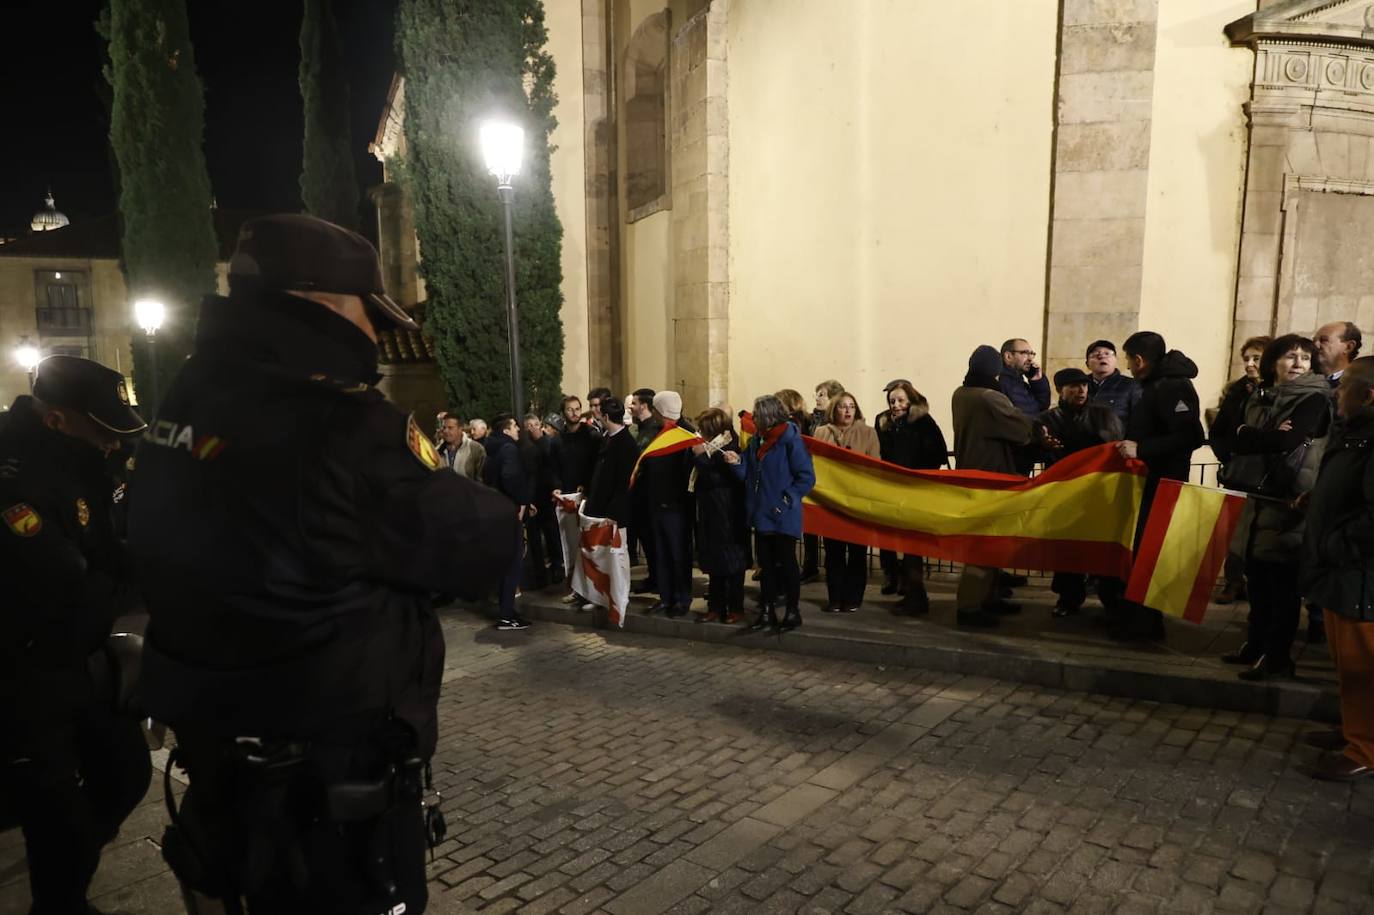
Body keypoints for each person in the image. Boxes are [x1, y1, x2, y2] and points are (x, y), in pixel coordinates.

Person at [126, 213, 519, 914]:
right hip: (325, 773)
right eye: (368, 315)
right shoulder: (340, 420)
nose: (374, 334)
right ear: (322, 303)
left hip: (222, 749)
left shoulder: (189, 393)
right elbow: (479, 542)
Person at [0, 355, 152, 915]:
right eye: (104, 430)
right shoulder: (13, 476)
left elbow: (108, 551)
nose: (114, 443)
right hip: (24, 673)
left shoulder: (80, 462)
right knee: (52, 811)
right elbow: (64, 581)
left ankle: (71, 868)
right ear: (58, 419)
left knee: (128, 771)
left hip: (78, 659)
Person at [1219, 334, 1332, 680]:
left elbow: (1288, 440)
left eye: (1305, 358)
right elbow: (1222, 433)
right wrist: (1249, 433)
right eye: (1290, 357)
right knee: (1257, 579)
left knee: (1281, 584)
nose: (1298, 363)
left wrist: (1247, 434)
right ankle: (1255, 645)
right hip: (1257, 496)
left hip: (1289, 500)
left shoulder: (1316, 397)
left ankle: (1278, 657)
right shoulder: (1261, 395)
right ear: (1273, 363)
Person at [1299, 356, 1374, 781]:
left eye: (1344, 389)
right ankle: (1353, 729)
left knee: (1364, 664)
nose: (1335, 394)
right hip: (1339, 569)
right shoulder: (1355, 433)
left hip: (1359, 572)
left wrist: (1334, 542)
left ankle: (1366, 748)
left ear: (1368, 396)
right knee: (1346, 660)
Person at [1113, 331, 1207, 641]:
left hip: (1163, 482)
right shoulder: (1159, 384)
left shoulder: (1171, 386)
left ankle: (1146, 626)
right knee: (1143, 550)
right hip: (1153, 481)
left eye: (1128, 360)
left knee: (1151, 552)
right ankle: (1138, 619)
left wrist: (1141, 449)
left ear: (1139, 360)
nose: (1128, 367)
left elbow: (1190, 435)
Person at [952, 345, 1034, 627]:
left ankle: (988, 597)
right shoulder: (989, 397)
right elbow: (1022, 429)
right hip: (992, 478)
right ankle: (970, 607)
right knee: (984, 547)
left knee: (987, 544)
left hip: (970, 475)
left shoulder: (960, 394)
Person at [724, 395, 815, 632]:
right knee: (765, 565)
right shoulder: (757, 440)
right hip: (762, 513)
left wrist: (785, 501)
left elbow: (806, 477)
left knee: (787, 564)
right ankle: (767, 611)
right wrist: (736, 462)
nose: (754, 418)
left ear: (769, 416)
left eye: (757, 414)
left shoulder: (790, 440)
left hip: (782, 514)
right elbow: (747, 472)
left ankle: (792, 612)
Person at [1038, 367, 1124, 617]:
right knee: (1067, 548)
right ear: (1060, 390)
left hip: (1100, 491)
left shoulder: (1103, 415)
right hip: (1064, 492)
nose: (1081, 390)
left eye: (1084, 385)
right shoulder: (1047, 419)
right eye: (1074, 386)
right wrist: (1043, 445)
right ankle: (1068, 598)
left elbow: (1115, 446)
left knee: (1104, 547)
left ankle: (1112, 599)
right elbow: (1039, 452)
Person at [876, 380, 948, 615]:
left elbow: (936, 452)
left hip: (915, 490)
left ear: (911, 400)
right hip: (892, 489)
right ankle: (907, 589)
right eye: (892, 401)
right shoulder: (884, 422)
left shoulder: (922, 422)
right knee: (899, 544)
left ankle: (917, 596)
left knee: (912, 545)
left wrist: (914, 475)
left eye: (900, 401)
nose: (895, 405)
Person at [1209, 335, 1271, 605]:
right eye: (1246, 359)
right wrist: (1226, 454)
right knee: (1234, 528)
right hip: (1237, 468)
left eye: (1256, 358)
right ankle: (1233, 581)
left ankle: (1258, 586)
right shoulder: (1236, 390)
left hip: (1267, 471)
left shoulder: (1279, 390)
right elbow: (1218, 426)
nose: (1249, 364)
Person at [812, 392, 881, 613]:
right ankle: (835, 597)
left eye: (852, 406)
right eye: (843, 406)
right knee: (834, 552)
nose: (848, 410)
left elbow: (875, 466)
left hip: (857, 501)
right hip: (831, 501)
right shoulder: (821, 432)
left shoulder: (868, 433)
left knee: (858, 552)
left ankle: (853, 598)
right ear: (834, 410)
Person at [637, 391, 695, 616]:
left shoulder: (685, 433)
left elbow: (686, 473)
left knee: (678, 553)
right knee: (661, 552)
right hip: (657, 502)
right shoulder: (657, 431)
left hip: (676, 506)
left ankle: (681, 598)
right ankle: (665, 597)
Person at [691, 408, 751, 623]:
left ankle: (735, 607)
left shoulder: (729, 446)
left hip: (727, 512)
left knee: (732, 563)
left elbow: (718, 478)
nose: (699, 432)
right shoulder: (713, 445)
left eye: (702, 429)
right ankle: (715, 606)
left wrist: (700, 457)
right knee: (715, 560)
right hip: (712, 512)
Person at [484, 415, 536, 629]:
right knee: (513, 562)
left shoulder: (492, 449)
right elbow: (511, 477)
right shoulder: (509, 449)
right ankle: (506, 615)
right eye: (514, 426)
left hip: (497, 508)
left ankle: (508, 610)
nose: (518, 430)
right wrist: (522, 502)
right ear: (506, 430)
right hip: (510, 511)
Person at [803, 380, 846, 582]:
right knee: (809, 527)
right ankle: (810, 565)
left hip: (830, 480)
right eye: (817, 394)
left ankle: (833, 567)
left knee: (831, 529)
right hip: (811, 477)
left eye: (822, 394)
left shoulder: (840, 422)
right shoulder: (810, 420)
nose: (817, 398)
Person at [627, 388, 663, 592]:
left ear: (644, 405)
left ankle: (659, 578)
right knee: (646, 539)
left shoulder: (655, 430)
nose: (630, 407)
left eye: (634, 403)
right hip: (638, 494)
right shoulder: (637, 429)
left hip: (651, 494)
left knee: (653, 539)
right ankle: (653, 576)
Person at [998, 338, 1050, 475]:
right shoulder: (1002, 382)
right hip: (1013, 453)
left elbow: (1042, 407)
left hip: (1025, 449)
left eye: (1032, 354)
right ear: (1008, 356)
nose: (1030, 359)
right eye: (1025, 353)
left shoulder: (1021, 383)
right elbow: (1022, 413)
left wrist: (1037, 381)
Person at [522, 413, 563, 587]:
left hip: (547, 496)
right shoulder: (523, 447)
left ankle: (556, 567)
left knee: (552, 533)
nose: (533, 428)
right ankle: (539, 572)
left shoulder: (549, 444)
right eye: (529, 425)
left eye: (535, 424)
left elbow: (554, 468)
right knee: (534, 538)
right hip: (531, 498)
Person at [552, 394, 601, 494]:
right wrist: (557, 487)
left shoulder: (592, 436)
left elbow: (597, 466)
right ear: (562, 413)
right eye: (570, 409)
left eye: (577, 409)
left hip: (589, 493)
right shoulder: (557, 440)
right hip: (565, 494)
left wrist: (586, 484)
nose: (575, 413)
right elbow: (554, 468)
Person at [1084, 339, 1141, 423]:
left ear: (1115, 360)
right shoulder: (1080, 386)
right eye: (1096, 354)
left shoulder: (1132, 386)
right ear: (1087, 364)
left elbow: (1139, 420)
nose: (1102, 356)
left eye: (1107, 353)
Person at [437, 410, 486, 480]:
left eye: (450, 428)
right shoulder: (438, 451)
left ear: (460, 428)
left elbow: (481, 479)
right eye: (444, 427)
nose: (445, 431)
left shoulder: (476, 449)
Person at [1315, 321, 1362, 387]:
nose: (1316, 345)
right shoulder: (1303, 377)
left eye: (1324, 340)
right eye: (1314, 340)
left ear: (1348, 347)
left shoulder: (1356, 385)